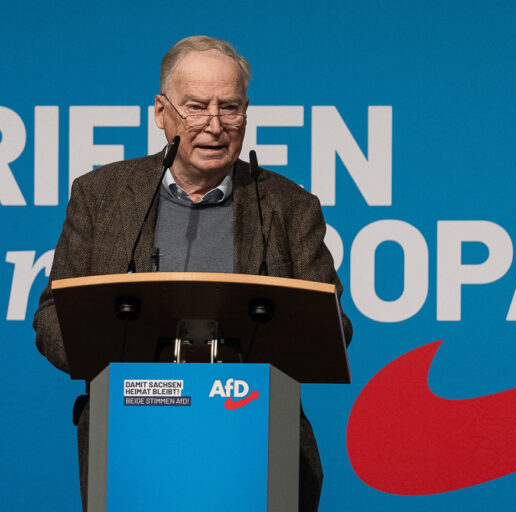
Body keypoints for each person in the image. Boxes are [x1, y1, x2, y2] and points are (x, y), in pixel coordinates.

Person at [33, 35, 352, 512]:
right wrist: (105, 348)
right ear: (161, 113)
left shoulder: (288, 206)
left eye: (231, 108)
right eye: (196, 107)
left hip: (257, 445)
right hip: (130, 443)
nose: (215, 125)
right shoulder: (101, 195)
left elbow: (333, 327)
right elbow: (53, 315)